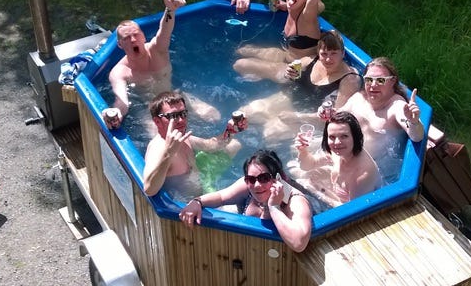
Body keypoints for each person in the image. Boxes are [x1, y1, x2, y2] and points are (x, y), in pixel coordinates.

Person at [101, 0, 220, 129]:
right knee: (160, 135)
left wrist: (170, 10)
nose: (133, 40)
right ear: (120, 44)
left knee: (213, 116)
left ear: (143, 36)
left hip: (173, 96)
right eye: (127, 38)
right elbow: (122, 101)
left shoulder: (157, 50)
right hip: (150, 109)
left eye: (136, 34)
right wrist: (116, 113)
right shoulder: (119, 72)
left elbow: (164, 31)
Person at [237, 30, 362, 141]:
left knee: (270, 133)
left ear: (343, 53)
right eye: (324, 54)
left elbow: (337, 117)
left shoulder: (349, 80)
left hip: (311, 117)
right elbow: (286, 75)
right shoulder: (310, 60)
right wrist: (288, 74)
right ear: (318, 52)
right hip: (288, 99)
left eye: (333, 53)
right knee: (245, 114)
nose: (328, 59)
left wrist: (298, 117)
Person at [179, 149, 312, 252]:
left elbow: (299, 244)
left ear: (278, 178)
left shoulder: (295, 201)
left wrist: (274, 207)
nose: (257, 185)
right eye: (251, 179)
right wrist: (197, 202)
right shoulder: (247, 185)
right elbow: (221, 197)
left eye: (264, 178)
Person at [320, 56, 424, 180]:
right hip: (343, 158)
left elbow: (417, 136)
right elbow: (337, 117)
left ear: (392, 81)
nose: (373, 85)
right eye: (369, 80)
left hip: (369, 173)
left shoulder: (396, 106)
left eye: (380, 80)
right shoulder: (359, 98)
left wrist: (413, 122)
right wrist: (328, 113)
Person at [143, 90, 248, 198]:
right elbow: (149, 190)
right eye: (173, 116)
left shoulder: (182, 137)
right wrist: (168, 154)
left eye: (183, 114)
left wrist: (231, 130)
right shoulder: (158, 148)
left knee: (234, 145)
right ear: (157, 121)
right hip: (188, 201)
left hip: (202, 180)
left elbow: (211, 145)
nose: (181, 120)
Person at [233, 0, 336, 78]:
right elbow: (321, 6)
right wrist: (286, 5)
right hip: (287, 55)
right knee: (243, 50)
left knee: (239, 65)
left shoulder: (306, 18)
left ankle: (264, 77)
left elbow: (313, 2)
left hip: (296, 71)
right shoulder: (292, 9)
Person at [293, 111, 382, 208]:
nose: (337, 142)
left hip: (354, 207)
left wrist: (318, 192)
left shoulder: (361, 174)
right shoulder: (339, 151)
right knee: (296, 171)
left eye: (344, 136)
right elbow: (309, 165)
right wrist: (303, 150)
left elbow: (353, 210)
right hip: (341, 192)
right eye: (332, 137)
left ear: (355, 137)